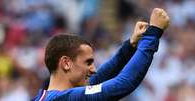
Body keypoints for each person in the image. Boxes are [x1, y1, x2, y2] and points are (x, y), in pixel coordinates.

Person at [33, 8, 170, 101]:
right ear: (66, 63)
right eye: (88, 62)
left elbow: (98, 78)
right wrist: (153, 34)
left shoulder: (53, 96)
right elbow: (123, 84)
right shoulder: (64, 98)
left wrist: (130, 45)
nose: (93, 69)